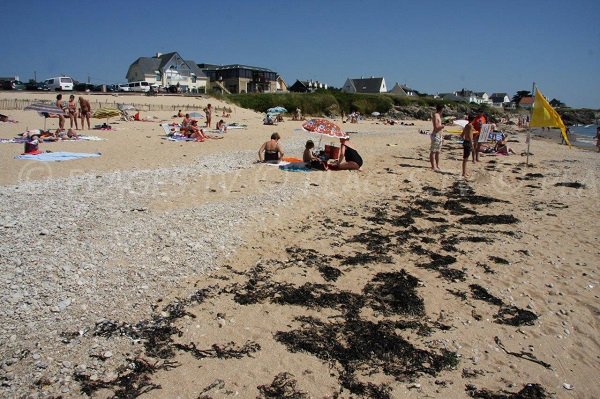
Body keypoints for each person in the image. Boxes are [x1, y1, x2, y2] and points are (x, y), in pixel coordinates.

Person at [429, 104, 444, 171]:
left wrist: (442, 136)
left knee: (438, 152)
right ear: (442, 109)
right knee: (433, 151)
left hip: (439, 135)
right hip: (435, 135)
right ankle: (433, 166)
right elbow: (436, 128)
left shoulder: (438, 116)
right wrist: (442, 126)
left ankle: (437, 165)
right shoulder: (435, 115)